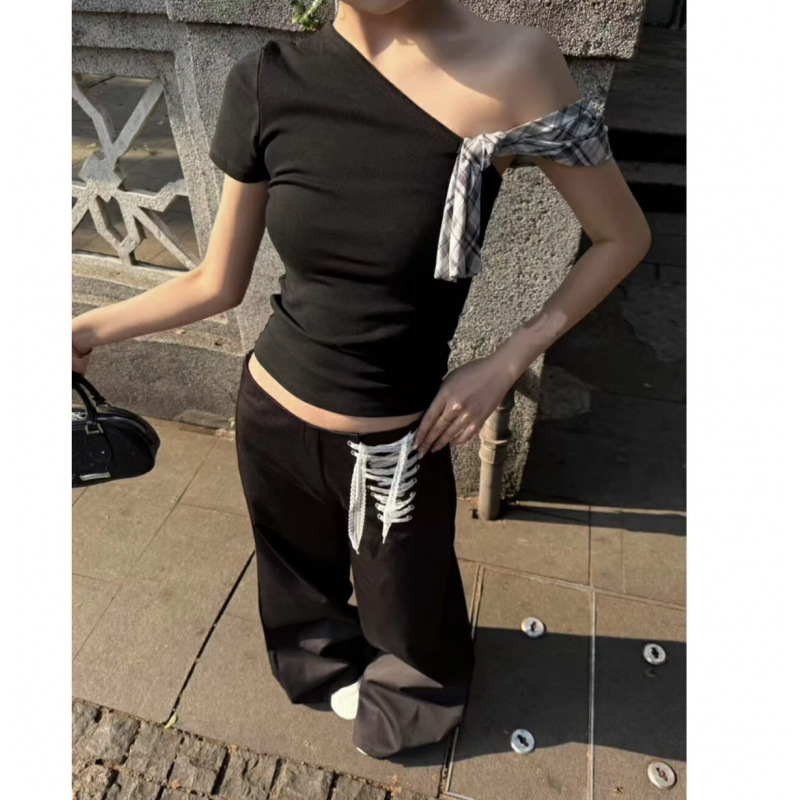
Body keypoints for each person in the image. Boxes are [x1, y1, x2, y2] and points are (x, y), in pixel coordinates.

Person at [71, 0, 651, 759]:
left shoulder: (516, 67)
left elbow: (621, 237)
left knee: (410, 606)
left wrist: (507, 361)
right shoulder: (267, 81)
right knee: (295, 588)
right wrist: (78, 333)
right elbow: (217, 282)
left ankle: (412, 696)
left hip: (395, 444)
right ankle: (319, 667)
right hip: (272, 416)